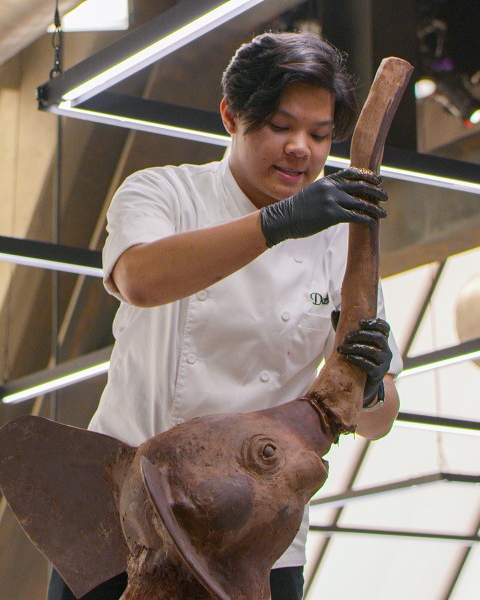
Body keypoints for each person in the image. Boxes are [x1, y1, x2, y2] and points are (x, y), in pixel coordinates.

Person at [48, 31, 402, 600]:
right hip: (124, 511)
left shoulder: (343, 244)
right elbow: (140, 279)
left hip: (258, 537)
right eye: (281, 128)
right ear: (230, 116)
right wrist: (278, 222)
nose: (302, 150)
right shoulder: (164, 193)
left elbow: (378, 420)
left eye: (319, 135)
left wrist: (372, 383)